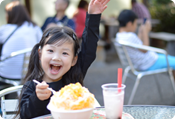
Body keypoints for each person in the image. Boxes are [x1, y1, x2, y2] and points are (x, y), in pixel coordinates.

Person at [15, 0, 110, 118]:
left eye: (64, 53)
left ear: (74, 60)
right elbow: (25, 115)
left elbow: (89, 49)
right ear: (40, 54)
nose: (56, 58)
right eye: (50, 51)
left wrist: (93, 16)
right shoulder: (32, 86)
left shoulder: (73, 80)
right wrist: (37, 98)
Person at [0, 1, 42, 80]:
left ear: (11, 15)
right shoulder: (35, 28)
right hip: (30, 73)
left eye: (7, 13)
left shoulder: (5, 29)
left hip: (6, 73)